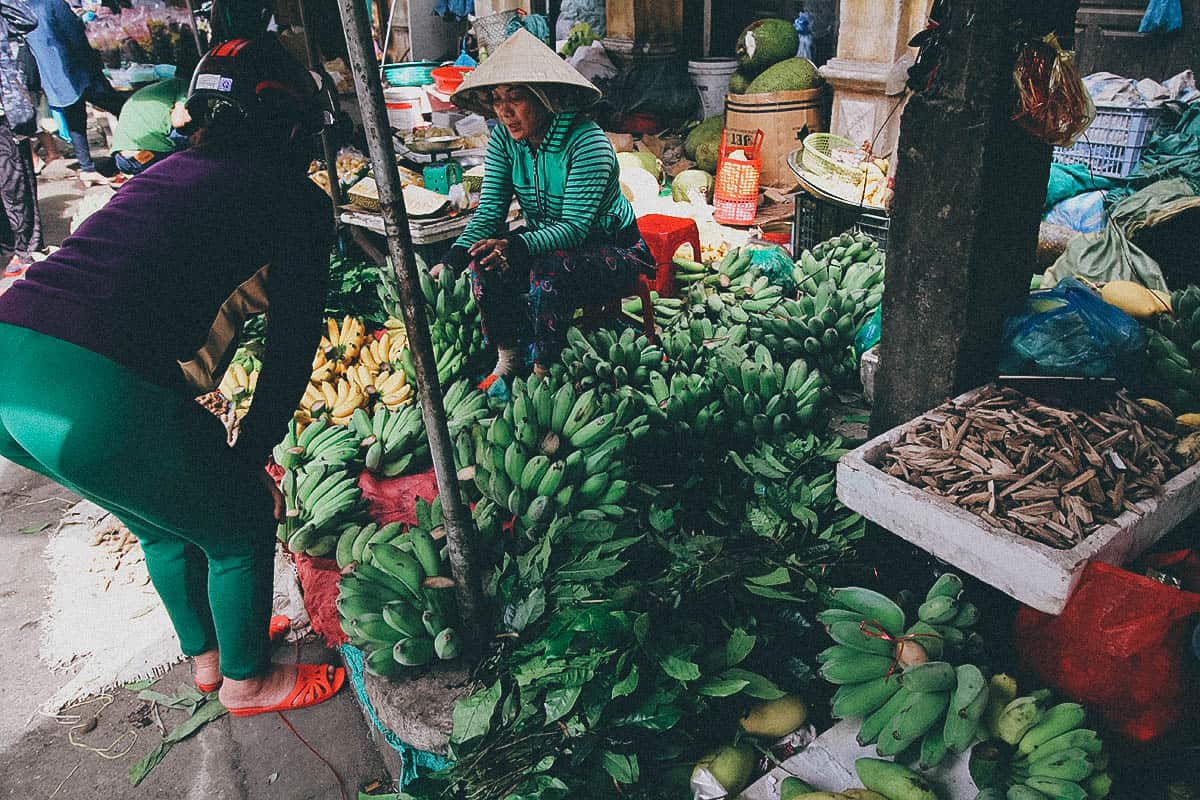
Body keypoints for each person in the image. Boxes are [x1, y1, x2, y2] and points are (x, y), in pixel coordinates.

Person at [0, 36, 344, 716]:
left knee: (166, 524)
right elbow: (291, 348)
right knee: (240, 521)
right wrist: (252, 454)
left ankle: (213, 661)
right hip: (89, 387)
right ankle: (250, 682)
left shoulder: (169, 170)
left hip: (12, 361)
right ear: (292, 124)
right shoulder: (297, 199)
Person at [433, 28, 653, 385]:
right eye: (496, 98)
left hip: (612, 248)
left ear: (544, 96)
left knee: (548, 272)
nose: (504, 111)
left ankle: (543, 369)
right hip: (546, 241)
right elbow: (490, 212)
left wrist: (515, 245)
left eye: (515, 98)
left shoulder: (587, 142)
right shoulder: (505, 139)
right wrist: (453, 257)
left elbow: (576, 228)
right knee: (484, 260)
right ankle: (508, 359)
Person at [25, 0, 125, 186]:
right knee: (121, 106)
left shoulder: (23, 6)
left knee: (75, 118)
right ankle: (127, 154)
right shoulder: (51, 3)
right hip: (75, 67)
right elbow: (73, 33)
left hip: (52, 72)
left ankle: (87, 168)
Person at [0, 0, 42, 276]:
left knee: (13, 182)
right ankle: (8, 244)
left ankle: (25, 249)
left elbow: (28, 19)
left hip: (5, 111)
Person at [108, 51, 199, 176]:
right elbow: (179, 121)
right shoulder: (184, 85)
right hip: (146, 155)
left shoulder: (161, 87)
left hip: (122, 157)